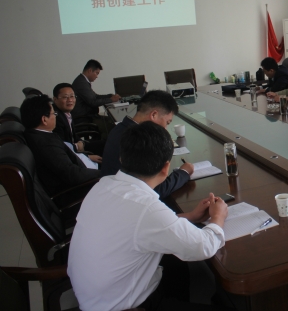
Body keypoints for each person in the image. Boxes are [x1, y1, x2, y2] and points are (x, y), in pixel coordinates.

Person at [68, 121, 229, 311]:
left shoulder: (104, 184)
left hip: (95, 296)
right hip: (124, 306)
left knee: (175, 264)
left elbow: (140, 226)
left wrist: (191, 216)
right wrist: (218, 217)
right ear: (166, 168)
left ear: (122, 158)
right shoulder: (146, 208)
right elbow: (205, 246)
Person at [102, 90, 193, 198]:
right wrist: (183, 173)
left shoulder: (120, 128)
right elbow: (157, 189)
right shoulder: (137, 142)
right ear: (154, 114)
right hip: (125, 199)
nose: (165, 128)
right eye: (167, 122)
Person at [20, 94, 101, 196]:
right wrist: (104, 173)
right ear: (44, 120)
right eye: (54, 114)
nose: (55, 116)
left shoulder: (37, 134)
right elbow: (73, 174)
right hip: (77, 191)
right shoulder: (47, 145)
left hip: (81, 171)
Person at [52, 83, 105, 156]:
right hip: (72, 153)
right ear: (55, 99)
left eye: (72, 96)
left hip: (75, 147)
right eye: (65, 97)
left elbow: (73, 136)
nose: (70, 100)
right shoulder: (55, 118)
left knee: (107, 143)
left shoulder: (66, 113)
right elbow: (62, 148)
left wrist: (82, 142)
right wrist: (87, 156)